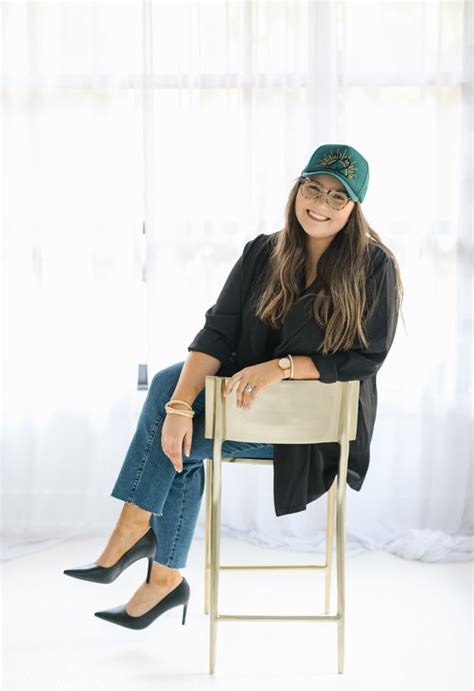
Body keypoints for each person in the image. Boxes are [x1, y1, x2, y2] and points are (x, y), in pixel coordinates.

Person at [63, 143, 403, 630]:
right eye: (313, 188)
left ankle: (147, 549)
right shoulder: (263, 252)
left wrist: (281, 368)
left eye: (338, 196)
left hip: (313, 429)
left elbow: (368, 357)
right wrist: (179, 408)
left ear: (354, 208)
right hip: (248, 406)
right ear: (298, 188)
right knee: (170, 396)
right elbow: (218, 333)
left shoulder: (374, 266)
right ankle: (148, 550)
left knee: (173, 449)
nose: (321, 204)